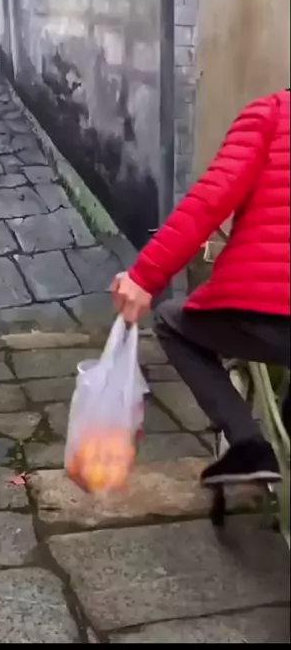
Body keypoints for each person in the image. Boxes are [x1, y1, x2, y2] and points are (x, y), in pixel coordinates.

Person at [111, 89, 290, 486]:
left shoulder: (273, 113)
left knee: (171, 322)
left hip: (268, 311)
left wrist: (145, 277)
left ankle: (249, 446)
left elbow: (211, 198)